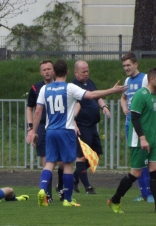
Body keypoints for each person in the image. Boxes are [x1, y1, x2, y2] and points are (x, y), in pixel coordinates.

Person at [30, 59, 126, 206]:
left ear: (54, 73)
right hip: (66, 130)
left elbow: (37, 111)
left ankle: (43, 190)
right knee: (68, 165)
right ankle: (68, 199)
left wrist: (34, 131)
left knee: (49, 163)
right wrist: (113, 90)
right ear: (68, 72)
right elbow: (92, 95)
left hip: (50, 131)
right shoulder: (70, 88)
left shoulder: (45, 89)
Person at [59, 60, 110, 196]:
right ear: (75, 72)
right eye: (83, 72)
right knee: (82, 156)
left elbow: (97, 95)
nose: (86, 74)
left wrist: (104, 106)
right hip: (82, 126)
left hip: (92, 126)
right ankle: (88, 187)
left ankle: (75, 178)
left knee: (96, 155)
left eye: (87, 71)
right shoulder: (72, 86)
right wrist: (74, 123)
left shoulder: (90, 83)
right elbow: (71, 108)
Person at [108, 68, 156, 213]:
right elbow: (134, 117)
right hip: (139, 141)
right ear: (152, 79)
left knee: (154, 171)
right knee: (136, 173)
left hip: (153, 140)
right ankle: (115, 200)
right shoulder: (141, 95)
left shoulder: (154, 96)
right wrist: (142, 138)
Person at [26, 60, 63, 202]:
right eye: (44, 69)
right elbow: (30, 108)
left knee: (61, 162)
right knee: (46, 160)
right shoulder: (36, 88)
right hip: (42, 127)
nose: (47, 71)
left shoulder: (61, 86)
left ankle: (61, 185)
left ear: (54, 71)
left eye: (49, 69)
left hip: (58, 125)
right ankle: (48, 195)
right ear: (41, 72)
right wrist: (31, 128)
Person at [120, 51, 154, 203]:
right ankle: (143, 192)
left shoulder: (145, 78)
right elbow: (123, 97)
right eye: (124, 66)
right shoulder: (127, 80)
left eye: (128, 65)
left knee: (147, 161)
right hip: (131, 123)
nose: (126, 68)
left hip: (142, 123)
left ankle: (149, 193)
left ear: (136, 64)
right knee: (138, 161)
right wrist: (124, 108)